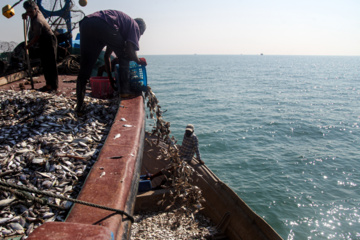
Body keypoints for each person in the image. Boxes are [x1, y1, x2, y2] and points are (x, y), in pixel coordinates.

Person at [75, 10, 147, 113]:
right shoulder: (134, 25)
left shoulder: (118, 29)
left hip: (86, 23)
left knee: (85, 68)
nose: (138, 36)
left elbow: (107, 56)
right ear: (139, 28)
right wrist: (139, 61)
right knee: (124, 55)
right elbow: (130, 51)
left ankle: (79, 105)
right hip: (102, 24)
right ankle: (125, 91)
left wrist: (110, 79)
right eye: (140, 33)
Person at [22, 1, 59, 92]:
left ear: (35, 10)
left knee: (51, 64)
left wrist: (29, 45)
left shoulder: (37, 21)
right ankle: (48, 85)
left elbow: (36, 36)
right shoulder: (36, 9)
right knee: (45, 64)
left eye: (31, 12)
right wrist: (25, 14)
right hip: (43, 41)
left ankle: (54, 87)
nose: (29, 14)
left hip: (49, 40)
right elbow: (31, 6)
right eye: (28, 11)